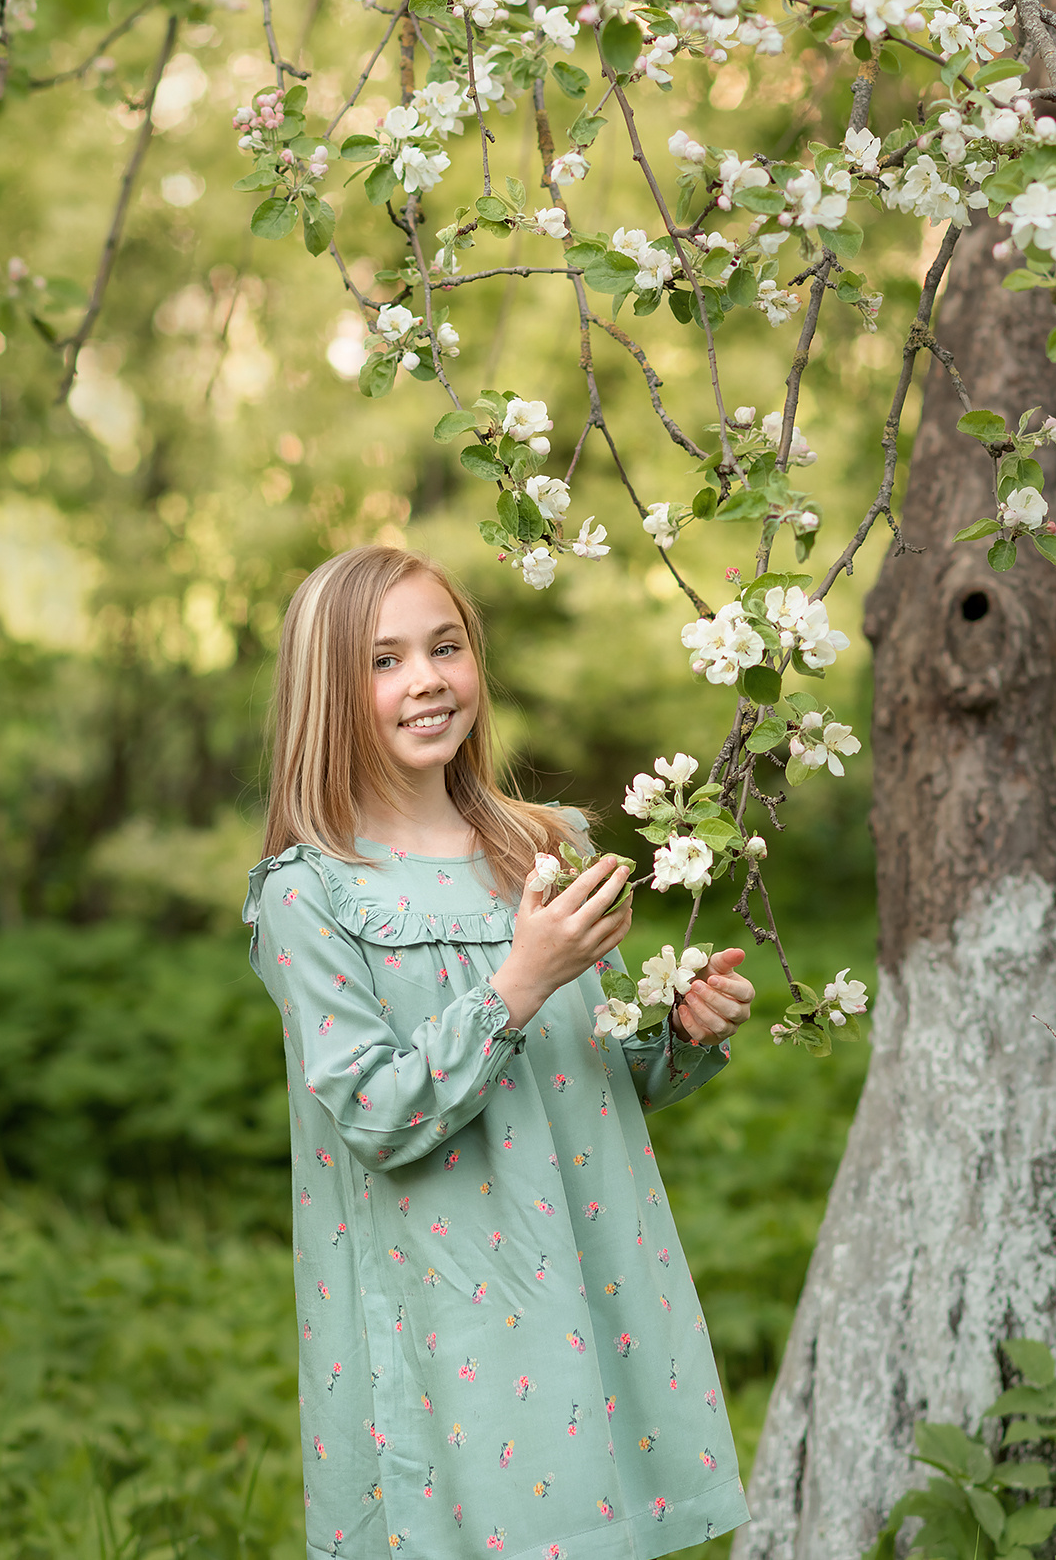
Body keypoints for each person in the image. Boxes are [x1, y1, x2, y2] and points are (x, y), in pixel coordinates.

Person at [245, 543, 757, 1559]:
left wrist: (678, 1033)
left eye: (445, 646)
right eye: (383, 660)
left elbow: (582, 1077)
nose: (426, 680)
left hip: (589, 1274)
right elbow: (377, 1115)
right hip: (447, 1309)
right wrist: (518, 980)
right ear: (326, 692)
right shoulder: (312, 893)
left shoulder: (537, 847)